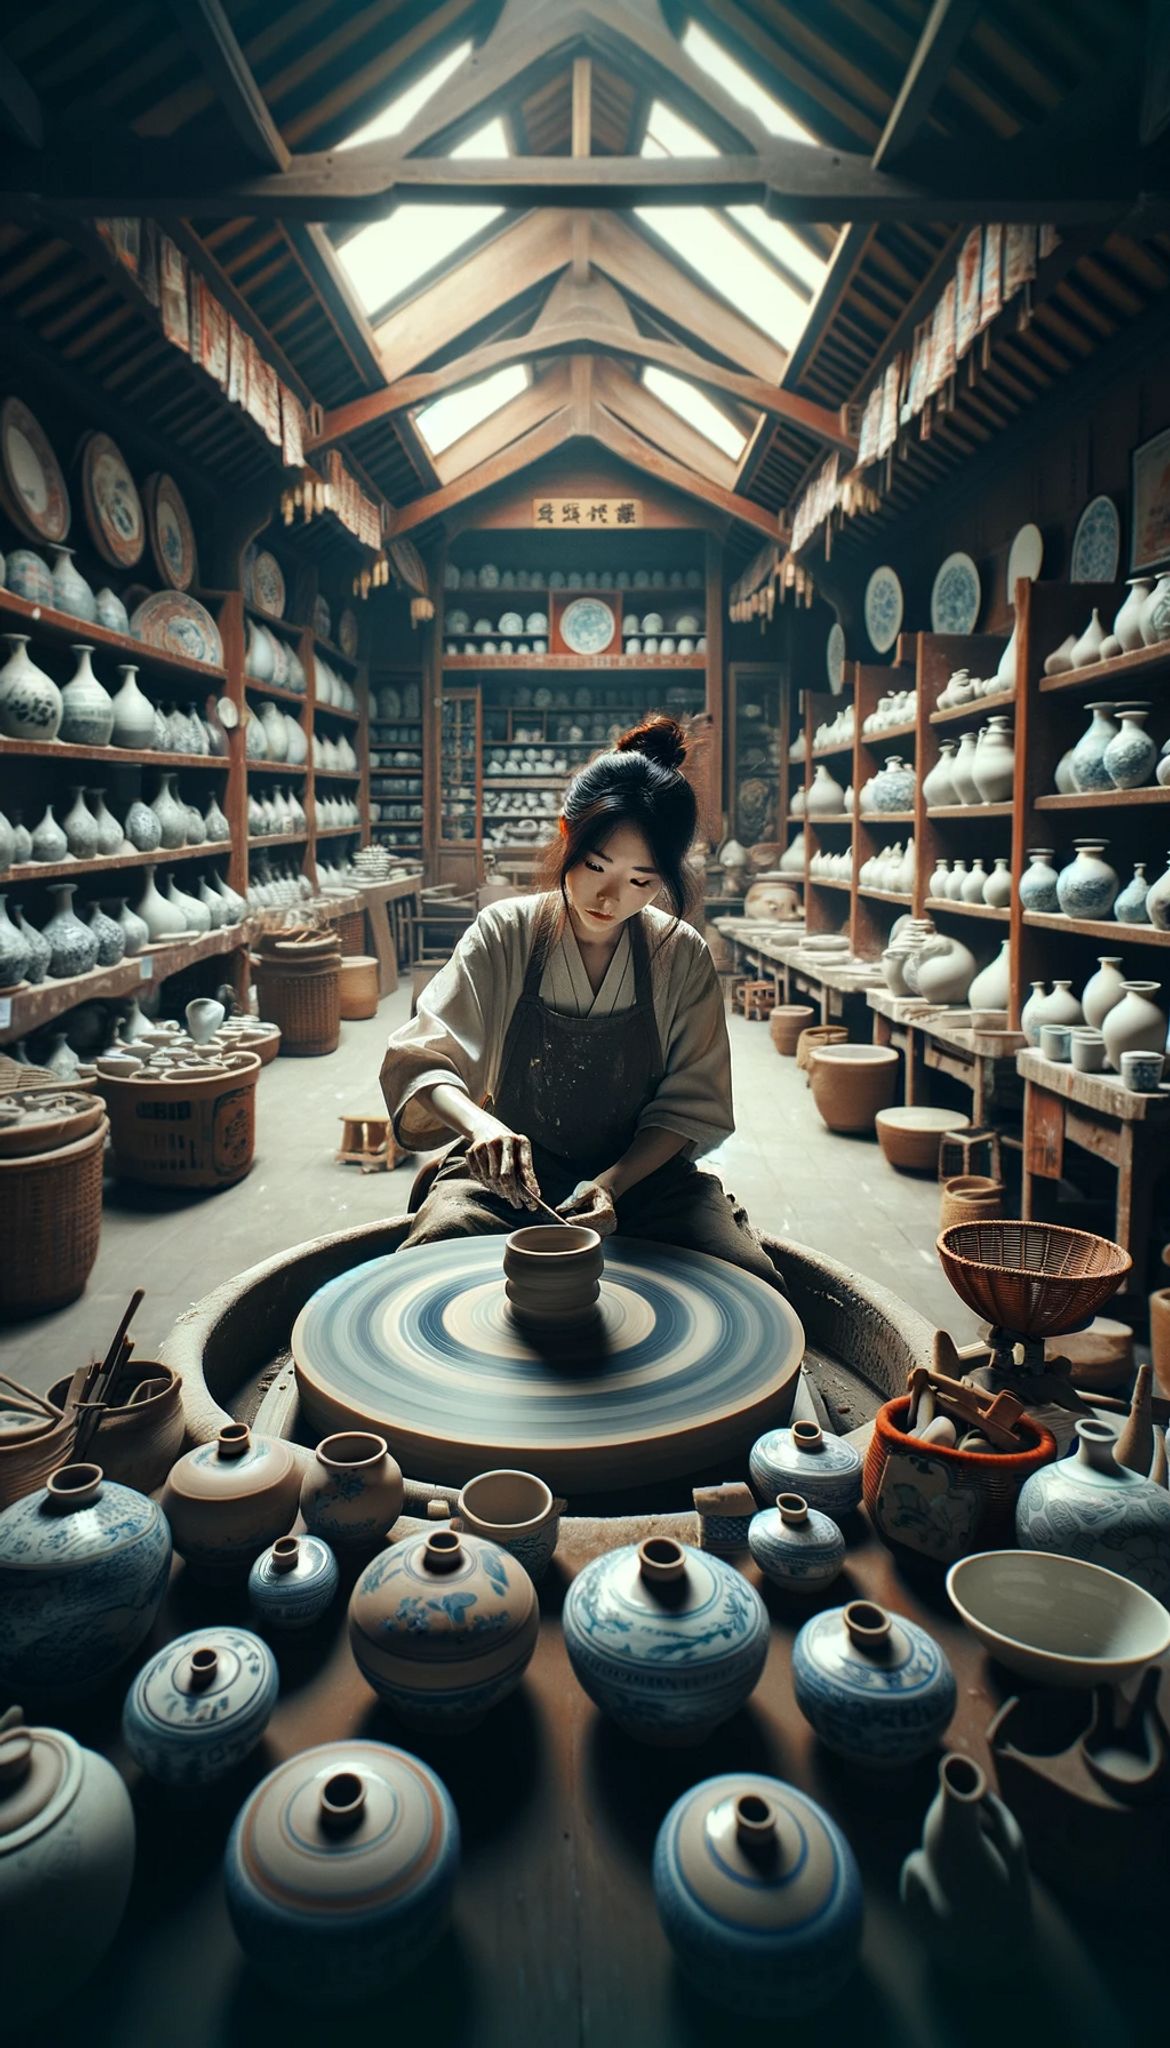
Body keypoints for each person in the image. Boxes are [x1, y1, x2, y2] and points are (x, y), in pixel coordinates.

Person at [380, 714, 784, 1291]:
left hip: (642, 1180)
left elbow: (692, 1106)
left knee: (745, 1280)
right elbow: (422, 1059)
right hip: (514, 1179)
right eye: (596, 867)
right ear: (567, 832)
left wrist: (613, 1184)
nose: (610, 897)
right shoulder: (505, 932)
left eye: (641, 881)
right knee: (430, 1263)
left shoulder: (680, 953)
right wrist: (481, 1126)